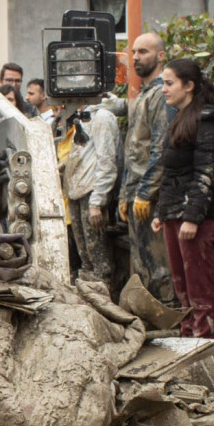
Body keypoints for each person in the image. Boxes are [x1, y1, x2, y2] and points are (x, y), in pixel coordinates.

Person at [151, 58, 214, 338]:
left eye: (169, 83)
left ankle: (203, 345)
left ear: (189, 86)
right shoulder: (182, 118)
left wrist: (193, 217)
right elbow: (172, 171)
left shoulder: (208, 121)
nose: (163, 89)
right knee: (182, 289)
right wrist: (162, 212)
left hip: (193, 219)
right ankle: (188, 341)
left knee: (199, 290)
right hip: (175, 214)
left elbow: (205, 172)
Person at [119, 32, 177, 302]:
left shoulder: (161, 95)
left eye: (143, 52)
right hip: (137, 194)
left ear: (161, 56)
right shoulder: (144, 95)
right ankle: (152, 318)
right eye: (133, 52)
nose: (135, 57)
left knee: (159, 269)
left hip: (152, 197)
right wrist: (125, 193)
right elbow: (133, 149)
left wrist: (145, 192)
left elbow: (161, 147)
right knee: (143, 266)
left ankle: (168, 317)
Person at [62, 94, 126, 286]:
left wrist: (97, 202)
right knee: (86, 262)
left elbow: (107, 161)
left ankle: (104, 295)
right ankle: (89, 295)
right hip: (77, 192)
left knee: (99, 264)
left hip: (91, 195)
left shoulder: (102, 117)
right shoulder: (83, 115)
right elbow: (83, 154)